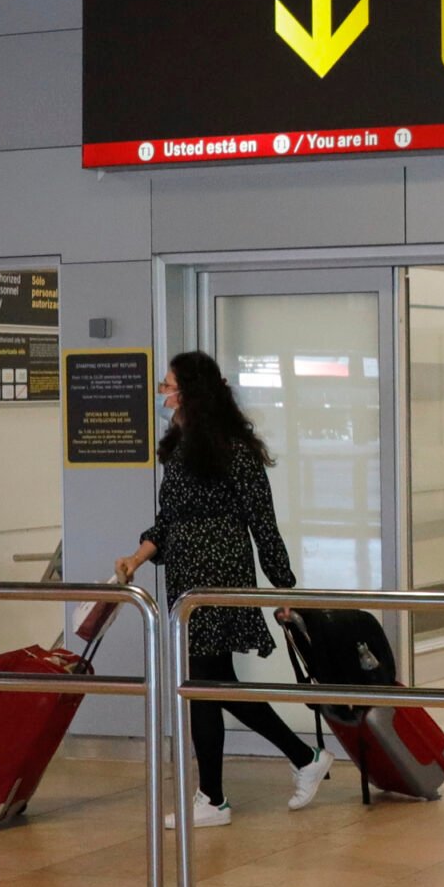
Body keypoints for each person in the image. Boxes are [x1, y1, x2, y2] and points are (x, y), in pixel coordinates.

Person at [116, 352, 332, 826]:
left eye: (168, 385)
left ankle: (217, 796)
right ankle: (288, 764)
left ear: (192, 390)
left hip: (221, 574)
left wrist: (283, 588)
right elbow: (168, 521)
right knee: (210, 686)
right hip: (187, 578)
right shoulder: (177, 445)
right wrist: (136, 557)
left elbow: (262, 520)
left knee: (203, 684)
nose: (162, 393)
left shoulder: (233, 450)